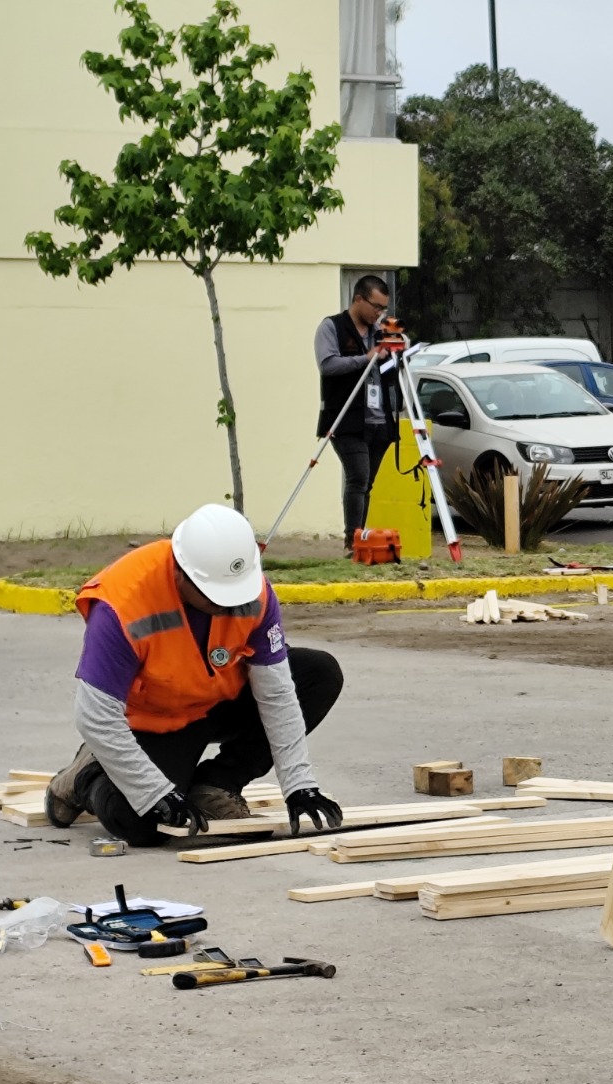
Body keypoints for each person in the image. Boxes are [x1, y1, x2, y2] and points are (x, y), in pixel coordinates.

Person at [42, 505, 345, 847]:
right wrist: (155, 793)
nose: (228, 606)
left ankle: (216, 785)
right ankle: (84, 776)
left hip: (219, 698)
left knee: (318, 673)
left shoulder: (251, 590)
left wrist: (298, 784)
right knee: (142, 824)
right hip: (159, 719)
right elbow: (96, 717)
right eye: (214, 596)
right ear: (180, 573)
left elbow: (276, 693)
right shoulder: (123, 602)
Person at [317, 275, 398, 551]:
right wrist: (367, 357)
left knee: (367, 484)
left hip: (379, 420)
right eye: (376, 306)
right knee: (358, 477)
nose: (379, 314)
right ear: (359, 299)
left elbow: (389, 374)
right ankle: (352, 540)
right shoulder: (332, 327)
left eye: (383, 309)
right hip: (346, 419)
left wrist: (398, 355)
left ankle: (360, 538)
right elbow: (328, 365)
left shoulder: (381, 331)